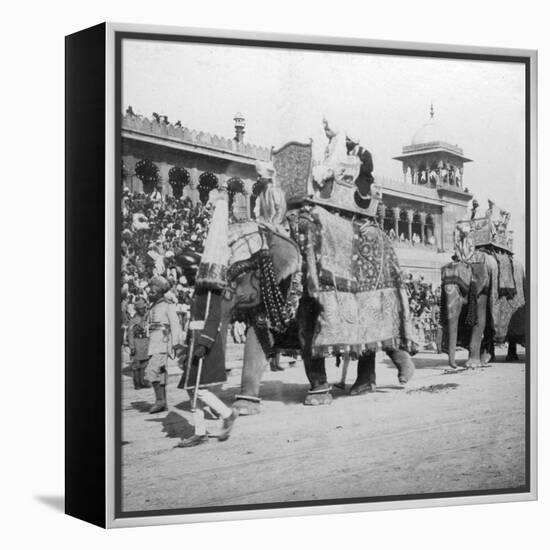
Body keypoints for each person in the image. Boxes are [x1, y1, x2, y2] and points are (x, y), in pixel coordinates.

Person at [145, 276, 183, 413]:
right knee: (160, 373)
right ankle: (163, 402)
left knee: (151, 371)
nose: (150, 293)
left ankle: (159, 401)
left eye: (153, 292)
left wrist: (176, 345)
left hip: (162, 343)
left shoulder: (168, 305)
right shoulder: (153, 306)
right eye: (150, 291)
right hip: (153, 344)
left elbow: (175, 325)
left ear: (160, 293)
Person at [127, 298, 150, 390]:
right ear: (137, 310)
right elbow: (130, 335)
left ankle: (142, 382)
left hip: (145, 344)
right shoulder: (133, 321)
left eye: (144, 308)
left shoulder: (146, 318)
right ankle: (137, 384)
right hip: (137, 344)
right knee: (136, 366)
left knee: (144, 365)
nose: (144, 310)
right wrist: (132, 347)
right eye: (141, 309)